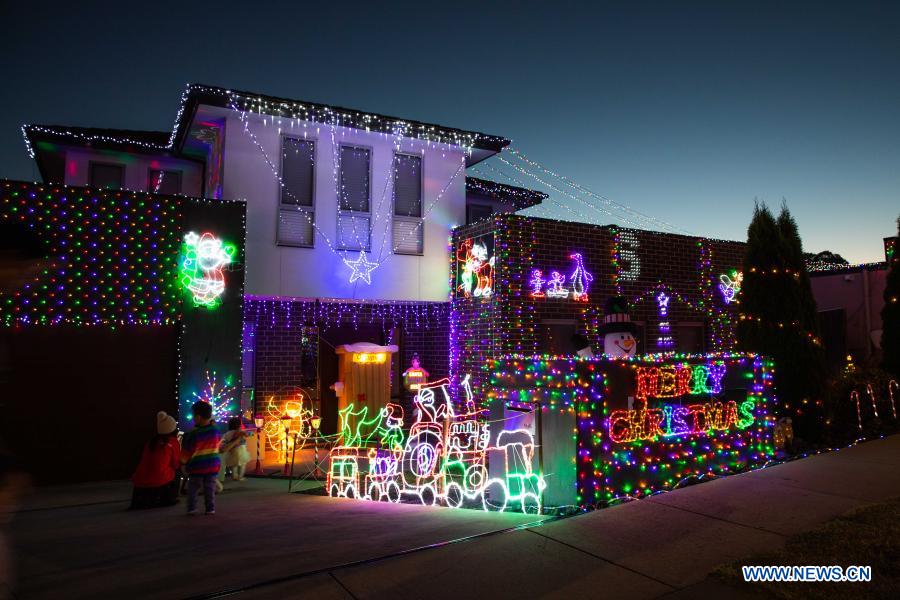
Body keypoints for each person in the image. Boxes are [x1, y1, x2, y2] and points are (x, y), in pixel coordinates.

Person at [130, 411, 181, 509]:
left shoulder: (151, 442)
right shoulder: (173, 442)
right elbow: (175, 464)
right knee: (177, 470)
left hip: (140, 481)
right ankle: (171, 497)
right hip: (159, 480)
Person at [180, 401, 222, 515]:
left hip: (197, 466)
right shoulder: (216, 431)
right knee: (210, 487)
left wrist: (183, 463)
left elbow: (187, 451)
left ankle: (192, 508)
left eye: (193, 416)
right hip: (213, 465)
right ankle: (210, 509)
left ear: (198, 417)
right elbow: (219, 445)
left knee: (193, 487)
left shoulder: (193, 434)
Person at [219, 417, 250, 482]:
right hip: (241, 450)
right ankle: (240, 477)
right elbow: (247, 435)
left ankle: (234, 476)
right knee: (242, 464)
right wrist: (248, 434)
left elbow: (224, 440)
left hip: (232, 450)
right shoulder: (240, 432)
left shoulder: (227, 433)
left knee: (234, 464)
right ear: (239, 425)